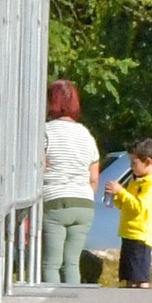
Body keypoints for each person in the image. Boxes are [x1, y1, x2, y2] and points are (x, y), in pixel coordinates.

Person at [39, 80, 101, 284]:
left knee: (51, 264)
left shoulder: (46, 132)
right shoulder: (86, 135)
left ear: (51, 102)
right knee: (72, 263)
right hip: (84, 204)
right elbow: (93, 177)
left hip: (56, 202)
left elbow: (40, 167)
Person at [105, 139, 152, 289]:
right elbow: (128, 206)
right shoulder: (136, 181)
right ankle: (130, 300)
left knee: (140, 276)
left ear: (148, 161)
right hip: (128, 233)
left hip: (141, 235)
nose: (132, 167)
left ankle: (142, 301)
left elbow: (139, 207)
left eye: (134, 163)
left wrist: (121, 192)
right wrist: (116, 197)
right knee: (129, 276)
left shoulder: (151, 184)